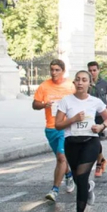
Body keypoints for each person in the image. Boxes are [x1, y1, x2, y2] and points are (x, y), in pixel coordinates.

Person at [55, 71, 107, 212]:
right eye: (78, 80)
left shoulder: (95, 101)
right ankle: (87, 187)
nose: (80, 83)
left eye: (84, 80)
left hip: (90, 142)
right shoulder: (66, 101)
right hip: (71, 143)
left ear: (90, 83)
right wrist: (72, 120)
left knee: (81, 177)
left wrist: (101, 127)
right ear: (74, 82)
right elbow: (58, 125)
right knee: (78, 178)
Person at [32, 59, 76, 202]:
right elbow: (35, 104)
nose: (54, 72)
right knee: (60, 158)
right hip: (51, 128)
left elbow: (78, 101)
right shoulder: (44, 86)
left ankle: (54, 190)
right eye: (52, 69)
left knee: (61, 157)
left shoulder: (71, 86)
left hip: (66, 127)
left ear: (63, 71)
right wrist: (45, 104)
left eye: (57, 70)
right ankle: (69, 176)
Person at [87, 61, 107, 177]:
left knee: (96, 140)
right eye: (90, 70)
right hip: (88, 116)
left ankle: (99, 163)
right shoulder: (85, 83)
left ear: (98, 70)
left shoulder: (104, 83)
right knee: (90, 140)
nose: (92, 72)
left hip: (100, 116)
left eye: (94, 70)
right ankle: (102, 159)